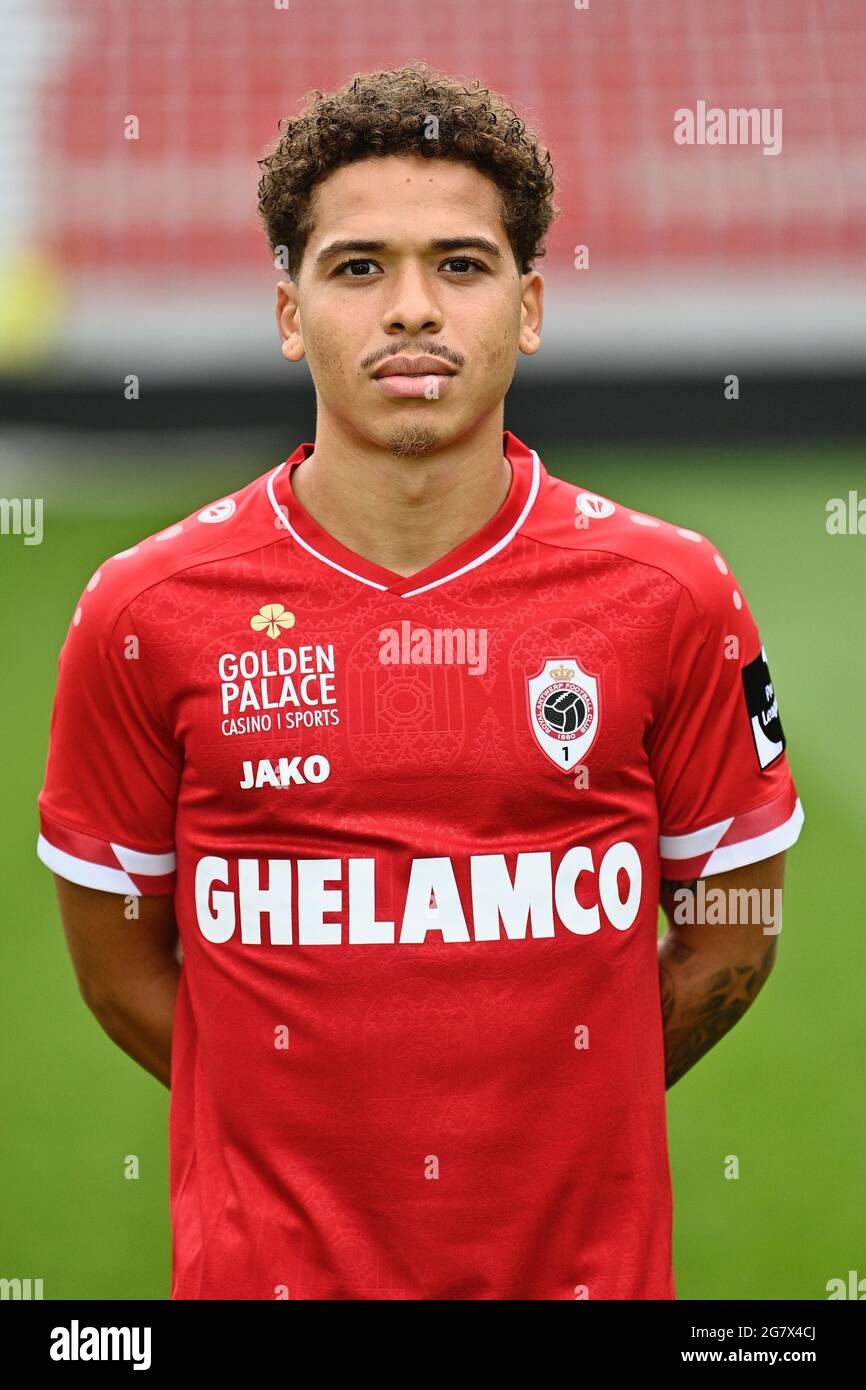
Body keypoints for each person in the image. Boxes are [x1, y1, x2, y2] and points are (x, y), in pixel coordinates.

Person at [37, 62, 804, 1300]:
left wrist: (558, 1105)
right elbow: (118, 965)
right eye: (356, 268)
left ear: (529, 304)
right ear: (290, 314)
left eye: (459, 264)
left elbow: (735, 934)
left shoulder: (672, 593)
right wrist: (319, 1128)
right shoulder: (144, 611)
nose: (410, 309)